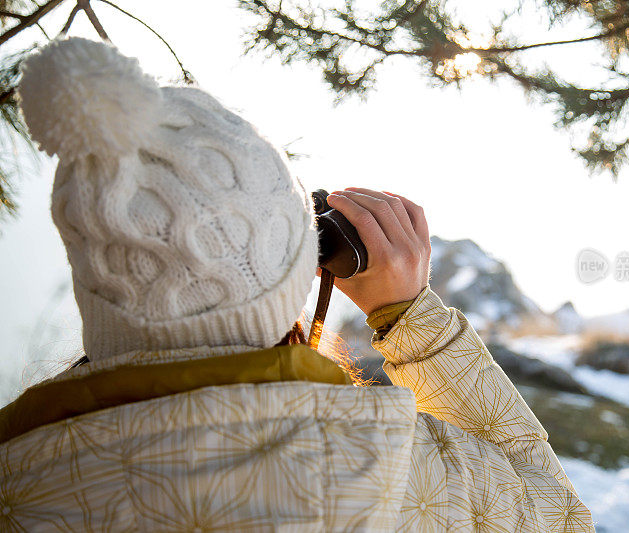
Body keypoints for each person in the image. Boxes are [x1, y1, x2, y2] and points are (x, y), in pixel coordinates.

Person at [0, 37, 594, 532]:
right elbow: (560, 516)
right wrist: (409, 318)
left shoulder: (17, 479)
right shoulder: (391, 469)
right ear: (308, 259)